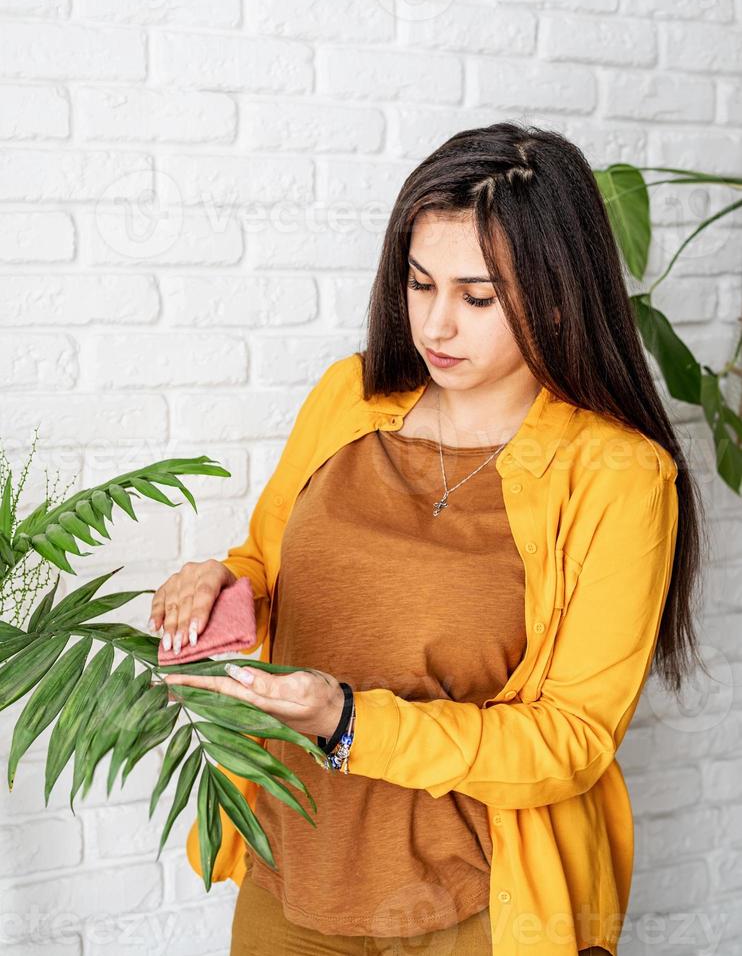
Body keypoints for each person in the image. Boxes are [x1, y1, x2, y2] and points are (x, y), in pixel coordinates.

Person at [150, 122, 707, 956]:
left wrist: (348, 724)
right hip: (293, 867)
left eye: (478, 297)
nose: (437, 325)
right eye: (420, 285)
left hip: (476, 902)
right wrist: (219, 586)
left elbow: (572, 738)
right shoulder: (349, 397)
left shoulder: (617, 477)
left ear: (557, 295)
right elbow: (268, 562)